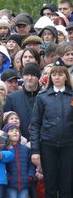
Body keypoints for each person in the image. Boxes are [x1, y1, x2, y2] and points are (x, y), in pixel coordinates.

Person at [29, 61, 73, 198]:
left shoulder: (71, 96)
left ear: (66, 77)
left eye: (60, 74)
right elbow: (35, 124)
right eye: (54, 74)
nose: (57, 77)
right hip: (48, 145)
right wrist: (35, 150)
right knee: (50, 186)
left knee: (67, 186)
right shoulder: (43, 97)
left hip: (69, 145)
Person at [3, 62, 41, 140]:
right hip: (19, 142)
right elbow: (7, 124)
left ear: (38, 77)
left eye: (33, 75)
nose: (29, 78)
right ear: (22, 77)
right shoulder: (11, 98)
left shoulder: (45, 96)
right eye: (26, 75)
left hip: (42, 141)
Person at [3, 123, 34, 198]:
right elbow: (2, 166)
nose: (15, 132)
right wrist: (7, 177)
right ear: (6, 135)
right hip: (10, 184)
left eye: (17, 131)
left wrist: (30, 176)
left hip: (25, 183)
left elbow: (31, 164)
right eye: (11, 130)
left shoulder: (26, 149)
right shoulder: (4, 150)